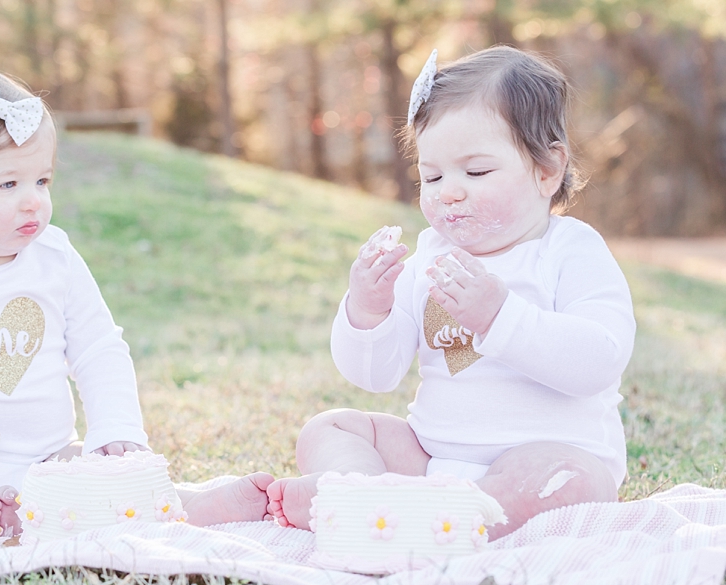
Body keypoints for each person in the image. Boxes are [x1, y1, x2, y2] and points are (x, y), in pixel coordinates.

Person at [0, 59, 272, 537]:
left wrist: (116, 430)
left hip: (48, 461)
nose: (33, 201)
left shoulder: (53, 256)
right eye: (8, 184)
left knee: (111, 479)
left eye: (41, 181)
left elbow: (98, 347)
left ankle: (189, 506)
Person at [267, 46, 635, 539]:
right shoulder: (427, 259)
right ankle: (374, 499)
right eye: (432, 175)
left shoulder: (569, 250)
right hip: (433, 456)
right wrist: (368, 311)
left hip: (537, 462)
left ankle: (431, 520)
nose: (448, 191)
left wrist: (499, 316)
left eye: (476, 172)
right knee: (331, 428)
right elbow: (374, 376)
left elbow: (599, 360)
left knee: (577, 480)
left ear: (547, 170)